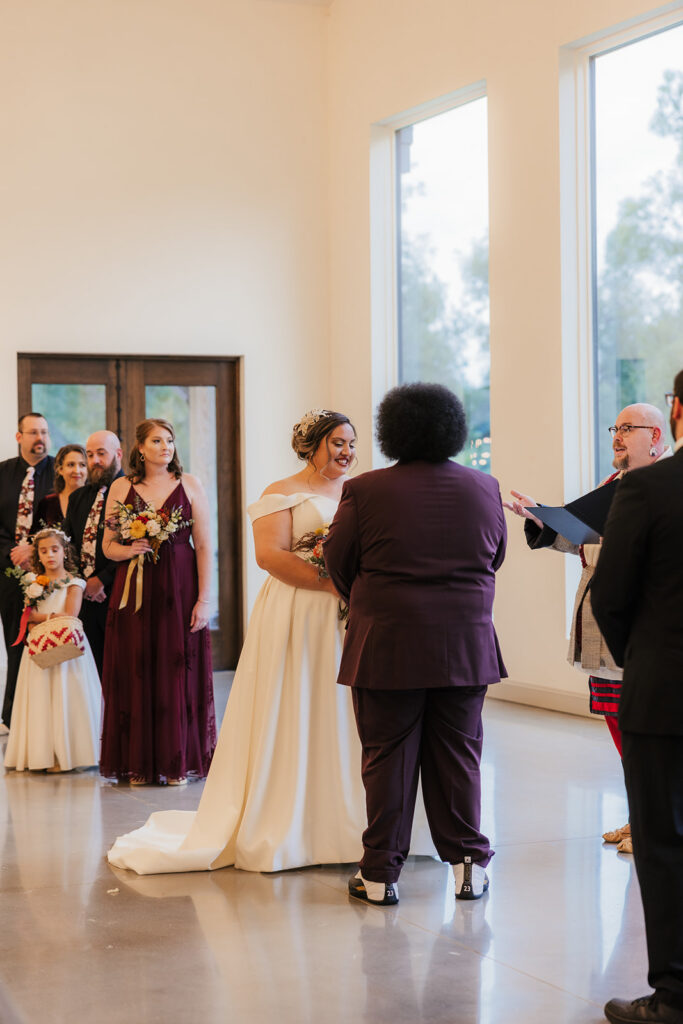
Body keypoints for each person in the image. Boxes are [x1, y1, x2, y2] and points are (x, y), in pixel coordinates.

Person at [107, 409, 435, 873]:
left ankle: (363, 822)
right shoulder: (280, 492)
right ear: (311, 445)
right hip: (300, 610)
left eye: (352, 443)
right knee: (302, 703)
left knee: (356, 711)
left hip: (356, 615)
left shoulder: (364, 490)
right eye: (337, 443)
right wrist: (333, 584)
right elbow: (269, 556)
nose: (347, 452)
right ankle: (294, 821)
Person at [324, 383, 507, 907]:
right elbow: (495, 556)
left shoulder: (365, 489)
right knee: (460, 756)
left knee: (386, 758)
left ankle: (380, 875)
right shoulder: (484, 486)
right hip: (466, 644)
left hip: (387, 643)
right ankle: (469, 869)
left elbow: (339, 563)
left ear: (392, 430)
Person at [503, 403, 670, 854]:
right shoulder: (611, 485)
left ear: (656, 436)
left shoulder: (664, 486)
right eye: (616, 427)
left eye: (628, 428)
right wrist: (543, 520)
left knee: (646, 729)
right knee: (619, 724)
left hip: (640, 625)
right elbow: (584, 540)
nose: (617, 435)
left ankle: (655, 822)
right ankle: (641, 814)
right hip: (601, 621)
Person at [591, 376, 683, 1024]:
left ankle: (674, 995)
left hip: (665, 695)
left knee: (665, 843)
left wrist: (644, 659)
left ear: (675, 412)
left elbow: (611, 596)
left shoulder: (648, 488)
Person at [99, 418, 216, 786]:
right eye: (157, 441)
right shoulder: (121, 487)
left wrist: (205, 599)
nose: (166, 447)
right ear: (140, 448)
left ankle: (176, 761)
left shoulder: (190, 484)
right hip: (134, 590)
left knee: (176, 670)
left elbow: (205, 546)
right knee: (135, 668)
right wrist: (129, 549)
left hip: (179, 588)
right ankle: (137, 763)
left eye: (170, 440)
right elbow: (107, 546)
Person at [4, 527, 101, 773]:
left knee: (65, 697)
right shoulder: (32, 582)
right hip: (39, 647)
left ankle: (66, 755)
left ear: (64, 551)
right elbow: (28, 619)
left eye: (54, 550)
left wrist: (42, 616)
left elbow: (69, 615)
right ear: (37, 554)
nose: (49, 555)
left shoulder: (74, 583)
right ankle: (42, 754)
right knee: (41, 699)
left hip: (67, 651)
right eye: (43, 551)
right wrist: (44, 617)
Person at [0, 413, 55, 729]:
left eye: (44, 432)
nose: (40, 438)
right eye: (33, 432)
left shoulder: (59, 472)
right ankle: (12, 715)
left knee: (47, 640)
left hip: (48, 571)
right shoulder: (3, 473)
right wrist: (13, 553)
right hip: (8, 572)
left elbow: (62, 522)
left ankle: (46, 714)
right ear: (19, 436)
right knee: (14, 640)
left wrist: (34, 549)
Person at [62, 431, 125, 676]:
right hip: (83, 597)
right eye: (89, 455)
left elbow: (134, 546)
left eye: (101, 453)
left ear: (118, 454)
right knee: (88, 671)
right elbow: (67, 545)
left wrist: (101, 580)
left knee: (118, 668)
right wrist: (82, 582)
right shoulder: (78, 497)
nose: (95, 460)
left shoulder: (131, 493)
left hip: (118, 592)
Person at [35, 444, 87, 527]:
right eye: (71, 465)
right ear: (60, 469)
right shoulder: (47, 503)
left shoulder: (96, 501)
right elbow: (35, 534)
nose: (77, 470)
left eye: (82, 465)